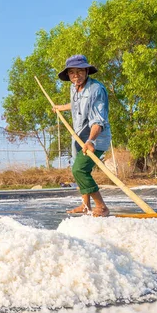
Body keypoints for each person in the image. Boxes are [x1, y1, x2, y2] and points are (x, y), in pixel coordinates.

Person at [52, 55, 112, 217]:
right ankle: (85, 205)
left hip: (96, 138)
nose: (75, 75)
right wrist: (60, 107)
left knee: (79, 170)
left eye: (79, 71)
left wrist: (91, 140)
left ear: (86, 71)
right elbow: (76, 104)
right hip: (78, 137)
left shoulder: (96, 90)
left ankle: (101, 207)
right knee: (79, 169)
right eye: (72, 72)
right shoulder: (74, 87)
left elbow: (98, 121)